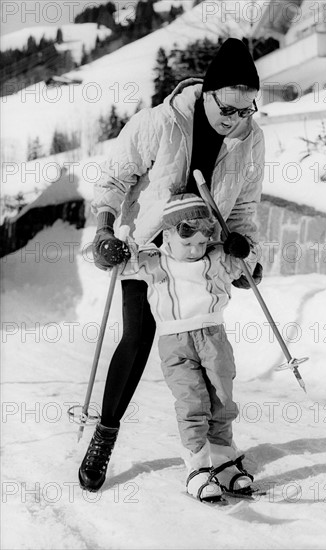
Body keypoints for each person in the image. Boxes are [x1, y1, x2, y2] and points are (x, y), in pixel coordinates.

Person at [79, 37, 265, 492]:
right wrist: (105, 230)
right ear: (207, 94)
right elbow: (113, 179)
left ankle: (216, 453)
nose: (236, 119)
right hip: (149, 256)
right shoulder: (158, 123)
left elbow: (245, 209)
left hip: (202, 259)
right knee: (139, 339)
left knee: (210, 360)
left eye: (247, 110)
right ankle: (105, 435)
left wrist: (247, 256)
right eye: (229, 108)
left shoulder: (249, 139)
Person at [120, 194, 262, 502]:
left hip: (214, 337)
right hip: (176, 343)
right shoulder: (153, 261)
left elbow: (250, 270)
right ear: (168, 235)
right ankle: (198, 468)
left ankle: (224, 463)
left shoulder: (217, 257)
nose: (196, 250)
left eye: (201, 242)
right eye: (188, 244)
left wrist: (244, 250)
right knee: (192, 403)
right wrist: (113, 249)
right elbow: (119, 267)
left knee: (222, 399)